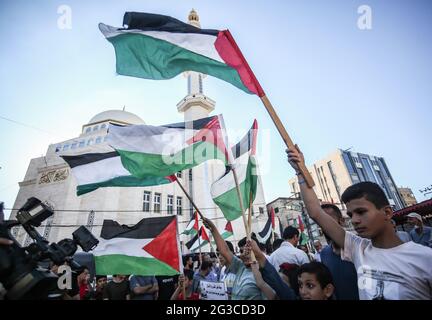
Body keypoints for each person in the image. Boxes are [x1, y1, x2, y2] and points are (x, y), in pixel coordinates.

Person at [287, 145, 432, 300]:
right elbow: (316, 212)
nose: (355, 220)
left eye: (361, 212)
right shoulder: (359, 249)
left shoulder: (425, 259)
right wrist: (300, 170)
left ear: (387, 212)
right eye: (350, 214)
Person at [202, 217, 265, 300]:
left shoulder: (264, 271)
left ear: (256, 252)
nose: (244, 254)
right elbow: (225, 251)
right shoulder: (240, 267)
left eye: (248, 251)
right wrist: (213, 228)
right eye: (241, 251)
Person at [319, 203, 359, 300]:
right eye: (321, 222)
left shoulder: (360, 246)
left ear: (342, 221)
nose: (324, 225)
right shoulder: (324, 253)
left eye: (328, 220)